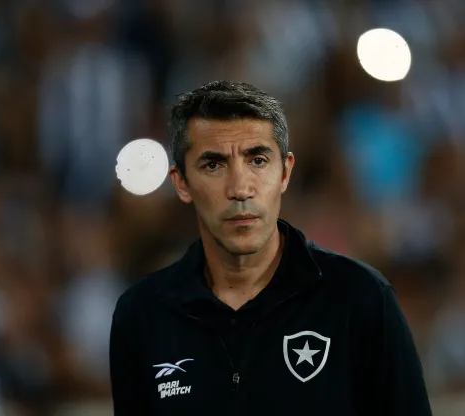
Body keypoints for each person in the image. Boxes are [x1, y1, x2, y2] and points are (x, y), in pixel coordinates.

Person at [109, 80, 432, 415]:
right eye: (213, 165)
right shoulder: (142, 315)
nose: (240, 188)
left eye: (258, 161)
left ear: (285, 172)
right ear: (182, 183)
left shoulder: (361, 299)